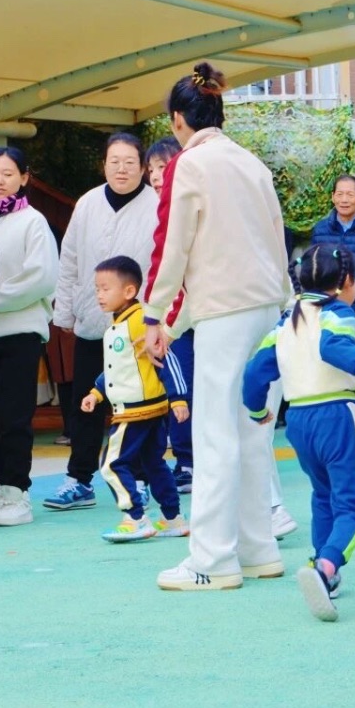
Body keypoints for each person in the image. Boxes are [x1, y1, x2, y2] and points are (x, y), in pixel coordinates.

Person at [140, 62, 293, 592]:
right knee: (252, 432)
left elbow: (171, 245)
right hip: (266, 307)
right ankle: (258, 549)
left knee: (214, 435)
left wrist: (156, 314)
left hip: (224, 312)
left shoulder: (190, 164)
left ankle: (211, 559)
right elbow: (276, 239)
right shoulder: (252, 163)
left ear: (178, 119)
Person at [243, 244, 355, 621]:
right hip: (337, 413)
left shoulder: (286, 321)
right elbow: (333, 347)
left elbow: (256, 371)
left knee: (323, 494)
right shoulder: (337, 311)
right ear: (347, 281)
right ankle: (325, 566)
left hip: (299, 418)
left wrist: (258, 409)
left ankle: (323, 568)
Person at [47, 132, 159, 511]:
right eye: (115, 161)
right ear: (104, 165)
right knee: (86, 403)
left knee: (139, 406)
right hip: (93, 323)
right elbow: (69, 259)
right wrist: (64, 311)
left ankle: (140, 478)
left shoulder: (158, 205)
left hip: (139, 328)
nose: (121, 169)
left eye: (130, 162)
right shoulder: (87, 203)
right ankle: (79, 479)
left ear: (143, 167)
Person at [0, 147, 59, 527]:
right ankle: (1, 488)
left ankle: (18, 493)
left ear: (24, 177)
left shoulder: (34, 222)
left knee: (14, 415)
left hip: (20, 331)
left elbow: (42, 277)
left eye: (8, 173)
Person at [80, 256, 188, 542]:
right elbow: (119, 368)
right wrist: (96, 392)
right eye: (97, 289)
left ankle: (135, 517)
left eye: (106, 288)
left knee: (111, 464)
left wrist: (178, 397)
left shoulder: (140, 321)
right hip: (146, 409)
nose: (99, 295)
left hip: (135, 411)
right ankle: (173, 518)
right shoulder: (118, 325)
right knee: (153, 463)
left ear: (129, 291)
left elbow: (166, 357)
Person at [311, 174, 355, 453]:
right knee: (334, 376)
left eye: (349, 194)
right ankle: (341, 439)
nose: (344, 199)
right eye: (339, 194)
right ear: (332, 197)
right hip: (329, 312)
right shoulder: (320, 229)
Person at [146, 136, 193, 493]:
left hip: (186, 319)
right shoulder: (159, 209)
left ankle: (189, 461)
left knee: (185, 390)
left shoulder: (187, 208)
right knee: (175, 389)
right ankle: (183, 460)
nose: (156, 176)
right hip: (169, 320)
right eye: (151, 169)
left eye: (163, 167)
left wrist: (166, 325)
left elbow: (183, 277)